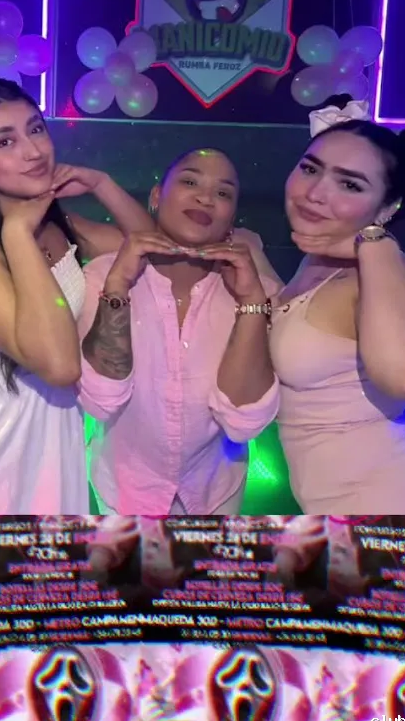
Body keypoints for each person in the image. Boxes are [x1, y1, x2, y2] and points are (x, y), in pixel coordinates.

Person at [0, 77, 156, 516]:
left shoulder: (54, 223)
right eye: (5, 141)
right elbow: (60, 365)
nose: (33, 151)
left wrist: (101, 183)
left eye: (36, 129)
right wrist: (16, 233)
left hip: (51, 431)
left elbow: (150, 249)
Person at [269, 95, 405, 515]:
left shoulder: (380, 269)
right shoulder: (320, 258)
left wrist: (373, 241)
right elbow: (299, 321)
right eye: (310, 169)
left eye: (349, 185)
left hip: (393, 506)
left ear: (387, 207)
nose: (315, 193)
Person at [78, 148, 280, 516]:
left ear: (232, 216)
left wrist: (251, 301)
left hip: (216, 488)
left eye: (223, 192)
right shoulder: (102, 277)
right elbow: (101, 401)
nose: (206, 198)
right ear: (157, 196)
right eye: (190, 182)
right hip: (124, 485)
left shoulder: (256, 292)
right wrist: (118, 287)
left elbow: (243, 423)